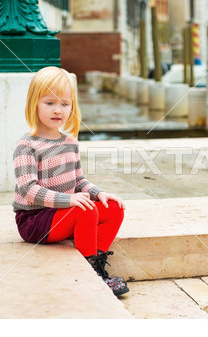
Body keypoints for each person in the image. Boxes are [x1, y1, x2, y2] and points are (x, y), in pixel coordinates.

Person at [12, 66, 129, 296]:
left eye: (64, 104)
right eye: (49, 103)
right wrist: (69, 200)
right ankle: (93, 274)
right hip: (35, 219)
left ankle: (96, 256)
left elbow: (78, 179)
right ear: (34, 104)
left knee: (114, 208)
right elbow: (28, 190)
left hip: (63, 213)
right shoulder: (27, 146)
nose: (58, 110)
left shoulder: (70, 142)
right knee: (84, 210)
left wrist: (98, 193)